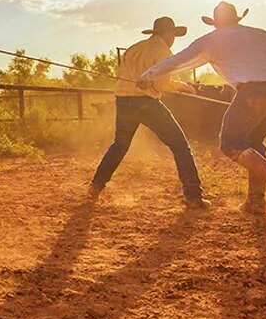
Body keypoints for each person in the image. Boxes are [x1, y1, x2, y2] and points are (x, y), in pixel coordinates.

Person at [139, 1, 266, 215]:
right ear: (237, 18)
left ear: (215, 23)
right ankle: (255, 201)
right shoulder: (262, 35)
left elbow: (177, 61)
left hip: (252, 93)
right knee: (254, 142)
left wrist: (148, 76)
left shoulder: (210, 41)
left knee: (230, 143)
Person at [89, 17, 209, 208]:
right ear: (168, 34)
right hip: (146, 102)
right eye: (174, 35)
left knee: (119, 145)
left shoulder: (134, 48)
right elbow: (161, 84)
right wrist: (183, 87)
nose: (173, 39)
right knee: (179, 145)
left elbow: (122, 76)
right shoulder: (163, 51)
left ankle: (95, 187)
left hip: (123, 100)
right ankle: (193, 196)